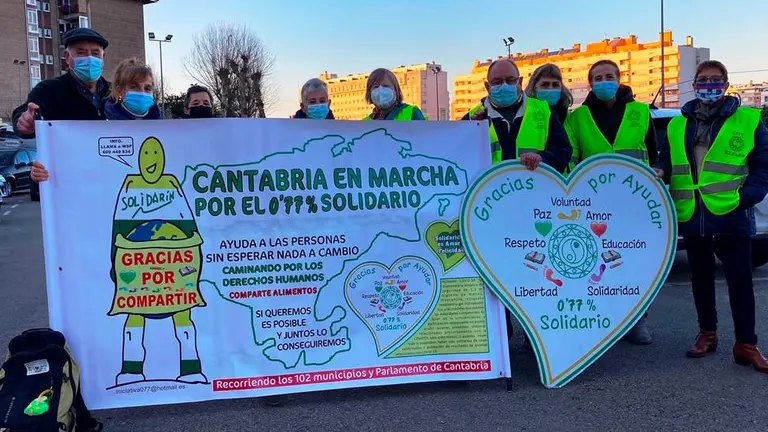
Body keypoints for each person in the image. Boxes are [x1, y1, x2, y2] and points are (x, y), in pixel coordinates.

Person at [664, 60, 768, 373]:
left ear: (725, 83)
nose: (709, 85)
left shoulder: (747, 119)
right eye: (703, 80)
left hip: (731, 212)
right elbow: (669, 162)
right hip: (692, 212)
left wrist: (746, 198)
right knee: (701, 279)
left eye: (715, 80)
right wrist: (660, 170)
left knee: (740, 281)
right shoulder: (676, 123)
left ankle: (746, 345)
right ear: (694, 86)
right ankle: (707, 334)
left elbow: (763, 166)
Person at [565, 59, 662, 345]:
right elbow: (572, 157)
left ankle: (637, 321)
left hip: (634, 203)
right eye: (598, 77)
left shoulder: (640, 111)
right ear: (590, 82)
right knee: (597, 265)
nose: (604, 81)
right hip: (594, 204)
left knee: (633, 263)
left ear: (619, 79)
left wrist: (658, 168)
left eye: (609, 76)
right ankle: (604, 321)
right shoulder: (578, 117)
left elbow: (656, 154)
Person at [461, 58, 572, 171]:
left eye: (510, 80)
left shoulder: (544, 110)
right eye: (497, 81)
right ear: (487, 86)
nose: (504, 85)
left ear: (520, 82)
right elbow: (459, 157)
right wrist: (473, 132)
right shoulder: (471, 119)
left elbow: (563, 150)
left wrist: (542, 159)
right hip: (490, 186)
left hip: (534, 184)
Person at [12, 28, 111, 138]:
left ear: (103, 58)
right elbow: (28, 112)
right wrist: (25, 122)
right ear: (68, 57)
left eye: (95, 53)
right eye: (81, 53)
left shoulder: (115, 92)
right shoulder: (48, 90)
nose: (89, 58)